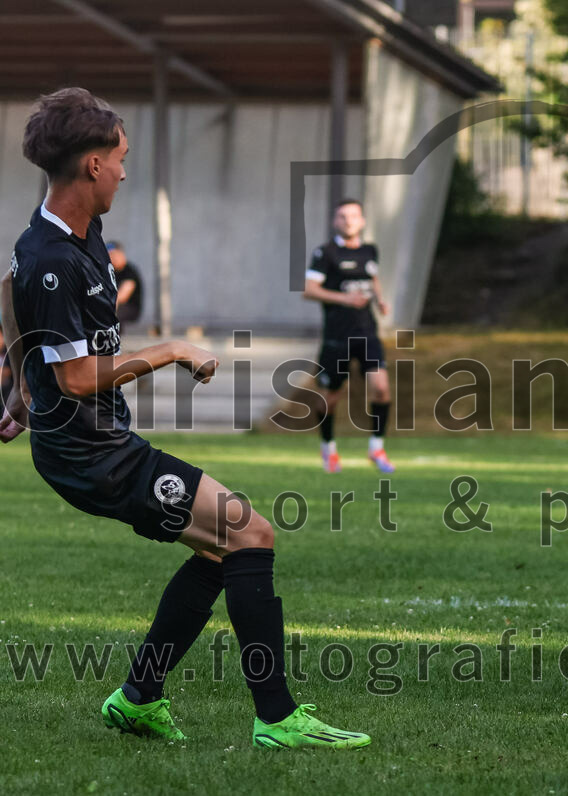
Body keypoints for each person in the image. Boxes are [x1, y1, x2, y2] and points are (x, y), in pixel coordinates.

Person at [0, 87, 370, 749]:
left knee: (219, 546)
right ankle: (278, 719)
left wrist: (22, 395)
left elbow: (7, 288)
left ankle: (140, 697)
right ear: (91, 165)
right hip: (90, 452)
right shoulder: (54, 256)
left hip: (93, 439)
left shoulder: (69, 232)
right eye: (119, 158)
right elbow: (77, 376)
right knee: (250, 534)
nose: (123, 169)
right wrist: (168, 350)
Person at [303, 199, 394, 473]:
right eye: (343, 216)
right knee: (330, 396)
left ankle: (376, 448)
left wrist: (379, 300)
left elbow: (372, 278)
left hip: (367, 332)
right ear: (335, 221)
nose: (349, 221)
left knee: (381, 389)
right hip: (336, 337)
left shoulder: (370, 250)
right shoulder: (325, 253)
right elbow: (309, 290)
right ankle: (328, 449)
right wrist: (345, 299)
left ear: (362, 221)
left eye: (353, 216)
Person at [106, 240, 143, 323]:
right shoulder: (108, 271)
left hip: (129, 307)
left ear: (121, 254)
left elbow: (122, 296)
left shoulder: (129, 272)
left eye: (113, 254)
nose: (111, 258)